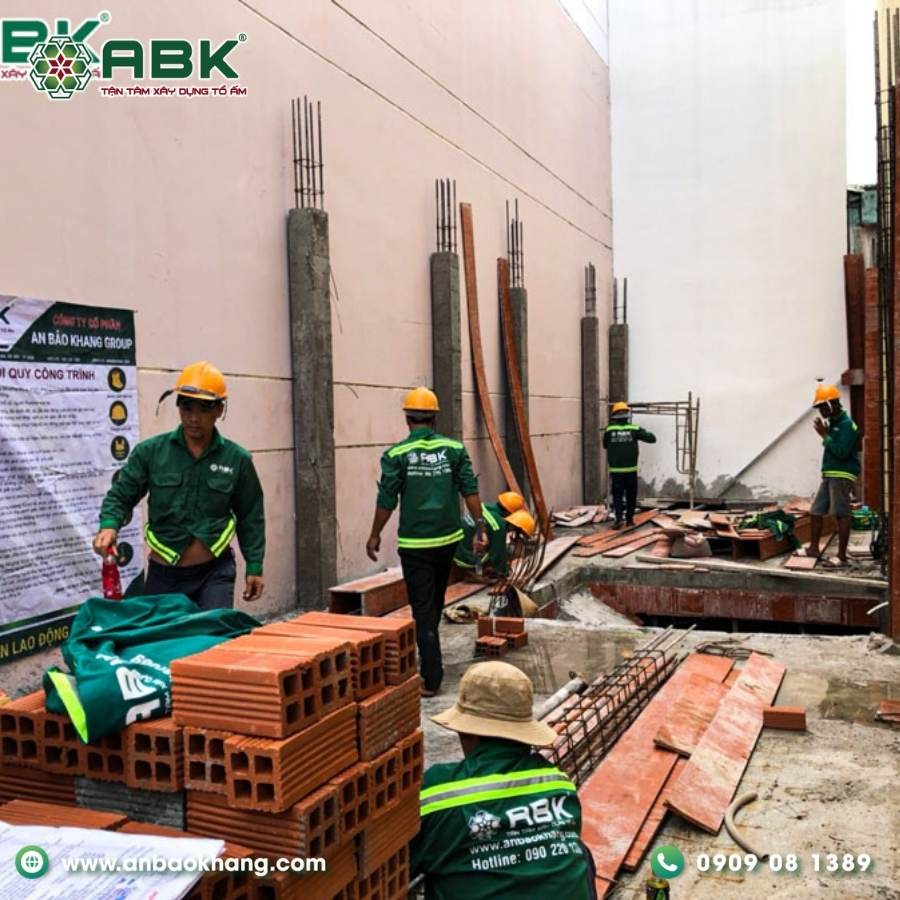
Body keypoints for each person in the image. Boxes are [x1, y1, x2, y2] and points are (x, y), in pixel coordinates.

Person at [411, 661, 595, 900]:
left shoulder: (437, 793)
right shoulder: (559, 784)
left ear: (465, 731)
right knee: (581, 853)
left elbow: (401, 865)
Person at [93, 361, 265, 609]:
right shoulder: (151, 453)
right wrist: (109, 526)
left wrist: (255, 565)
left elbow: (250, 515)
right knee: (163, 633)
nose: (194, 418)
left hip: (214, 573)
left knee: (213, 632)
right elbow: (121, 496)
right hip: (164, 575)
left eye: (204, 409)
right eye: (186, 407)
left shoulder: (237, 459)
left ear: (219, 410)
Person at [367, 387, 486, 697]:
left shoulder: (396, 455)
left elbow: (387, 499)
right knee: (434, 600)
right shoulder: (454, 449)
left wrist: (375, 533)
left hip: (415, 544)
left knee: (422, 607)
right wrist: (479, 528)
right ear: (434, 418)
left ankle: (432, 676)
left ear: (407, 419)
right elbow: (470, 490)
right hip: (448, 540)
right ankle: (430, 648)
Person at [803, 384, 860, 568]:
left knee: (841, 514)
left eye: (822, 406)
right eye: (819, 407)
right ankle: (813, 548)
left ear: (832, 404)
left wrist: (824, 436)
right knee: (816, 511)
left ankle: (841, 557)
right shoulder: (835, 423)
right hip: (830, 474)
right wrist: (827, 435)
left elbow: (842, 452)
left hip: (842, 475)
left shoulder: (847, 425)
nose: (821, 411)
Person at [453, 491, 534, 577]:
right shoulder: (498, 525)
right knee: (500, 551)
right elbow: (497, 556)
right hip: (465, 556)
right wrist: (505, 572)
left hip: (454, 547)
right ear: (509, 512)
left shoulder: (484, 507)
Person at [602, 402, 656, 528]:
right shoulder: (634, 429)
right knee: (631, 495)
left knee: (617, 495)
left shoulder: (609, 429)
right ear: (627, 415)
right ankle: (630, 520)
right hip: (631, 470)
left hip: (616, 471)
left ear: (614, 415)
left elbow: (605, 445)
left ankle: (618, 519)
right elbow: (652, 439)